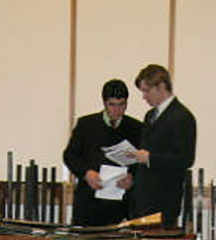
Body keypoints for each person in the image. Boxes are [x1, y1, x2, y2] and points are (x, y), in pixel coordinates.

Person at [63, 79, 144, 226]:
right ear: (104, 103)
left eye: (122, 105)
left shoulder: (136, 128)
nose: (117, 110)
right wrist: (86, 173)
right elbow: (70, 156)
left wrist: (133, 177)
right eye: (112, 105)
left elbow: (143, 163)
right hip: (89, 204)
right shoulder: (86, 125)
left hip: (121, 205)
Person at [128, 64, 196, 227]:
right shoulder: (150, 115)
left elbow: (185, 159)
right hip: (143, 199)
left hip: (164, 201)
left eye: (147, 90)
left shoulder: (182, 117)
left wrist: (150, 158)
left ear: (161, 86)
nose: (144, 96)